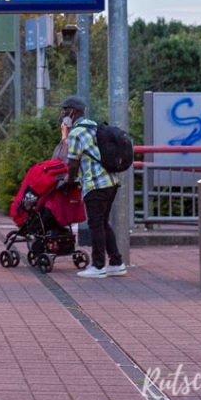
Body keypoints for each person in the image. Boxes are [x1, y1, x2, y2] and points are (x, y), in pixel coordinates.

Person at [59, 96, 127, 278]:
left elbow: (73, 162)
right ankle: (116, 262)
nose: (63, 114)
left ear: (73, 111)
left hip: (95, 184)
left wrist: (69, 180)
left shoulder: (76, 133)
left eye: (65, 110)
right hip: (111, 181)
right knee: (104, 223)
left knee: (96, 224)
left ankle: (98, 266)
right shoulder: (94, 126)